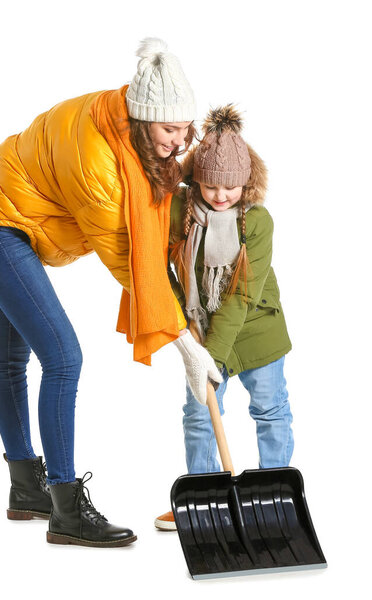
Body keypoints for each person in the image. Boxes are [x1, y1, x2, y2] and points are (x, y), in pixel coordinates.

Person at [0, 37, 221, 548]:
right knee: (63, 359)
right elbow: (130, 262)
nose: (179, 139)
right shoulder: (99, 159)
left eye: (185, 127)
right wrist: (186, 347)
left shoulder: (127, 124)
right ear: (144, 118)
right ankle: (64, 509)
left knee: (14, 361)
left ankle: (25, 491)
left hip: (6, 213)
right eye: (170, 130)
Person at [154, 105, 294, 531]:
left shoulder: (258, 222)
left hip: (256, 330)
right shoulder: (180, 213)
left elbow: (241, 295)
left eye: (230, 186)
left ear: (246, 182)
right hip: (200, 329)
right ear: (196, 178)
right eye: (211, 185)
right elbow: (159, 266)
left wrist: (209, 355)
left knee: (270, 410)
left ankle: (274, 498)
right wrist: (183, 324)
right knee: (198, 414)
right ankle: (204, 500)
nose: (220, 196)